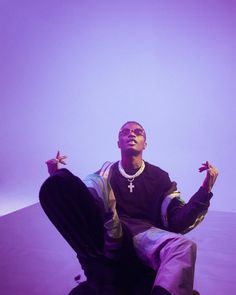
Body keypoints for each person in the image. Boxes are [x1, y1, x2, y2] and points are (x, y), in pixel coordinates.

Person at [39, 121, 218, 295]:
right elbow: (80, 202)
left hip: (146, 234)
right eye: (125, 132)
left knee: (184, 246)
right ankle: (113, 242)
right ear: (118, 143)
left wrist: (205, 190)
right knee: (95, 184)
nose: (131, 134)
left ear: (145, 144)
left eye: (138, 132)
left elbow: (179, 220)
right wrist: (55, 173)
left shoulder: (160, 177)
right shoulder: (105, 173)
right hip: (112, 229)